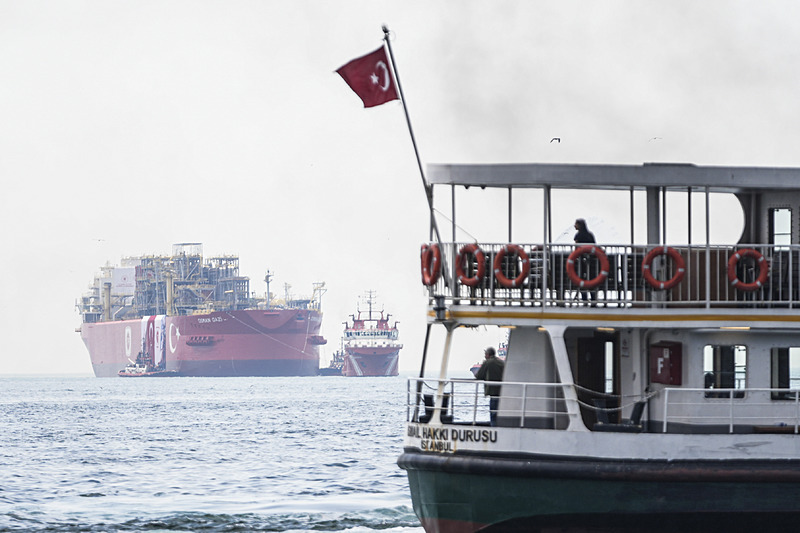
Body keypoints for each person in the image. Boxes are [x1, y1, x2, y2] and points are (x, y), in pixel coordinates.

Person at [475, 346, 505, 426]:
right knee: (499, 411)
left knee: (493, 412)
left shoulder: (487, 362)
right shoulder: (501, 362)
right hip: (502, 391)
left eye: (485, 354)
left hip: (493, 391)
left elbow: (479, 376)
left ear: (488, 354)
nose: (485, 356)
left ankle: (494, 427)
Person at [573, 218, 597, 304]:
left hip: (581, 262)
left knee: (582, 279)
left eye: (576, 224)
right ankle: (593, 299)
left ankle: (584, 299)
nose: (574, 226)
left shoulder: (578, 236)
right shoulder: (590, 235)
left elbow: (576, 249)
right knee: (591, 279)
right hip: (591, 261)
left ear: (580, 225)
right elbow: (594, 246)